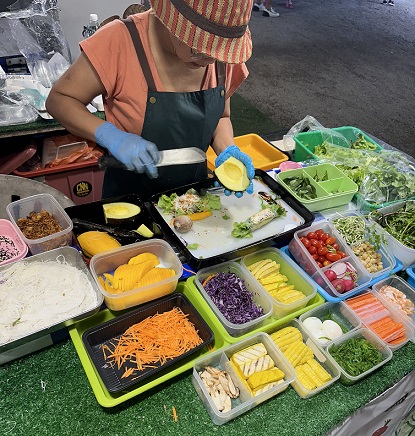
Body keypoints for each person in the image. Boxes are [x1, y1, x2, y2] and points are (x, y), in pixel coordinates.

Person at [46, 0, 255, 201]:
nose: (210, 60)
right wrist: (111, 136)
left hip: (193, 202)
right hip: (129, 205)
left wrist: (227, 149)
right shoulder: (119, 39)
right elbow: (60, 99)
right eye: (199, 49)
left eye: (219, 54)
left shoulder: (221, 55)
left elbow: (221, 116)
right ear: (173, 20)